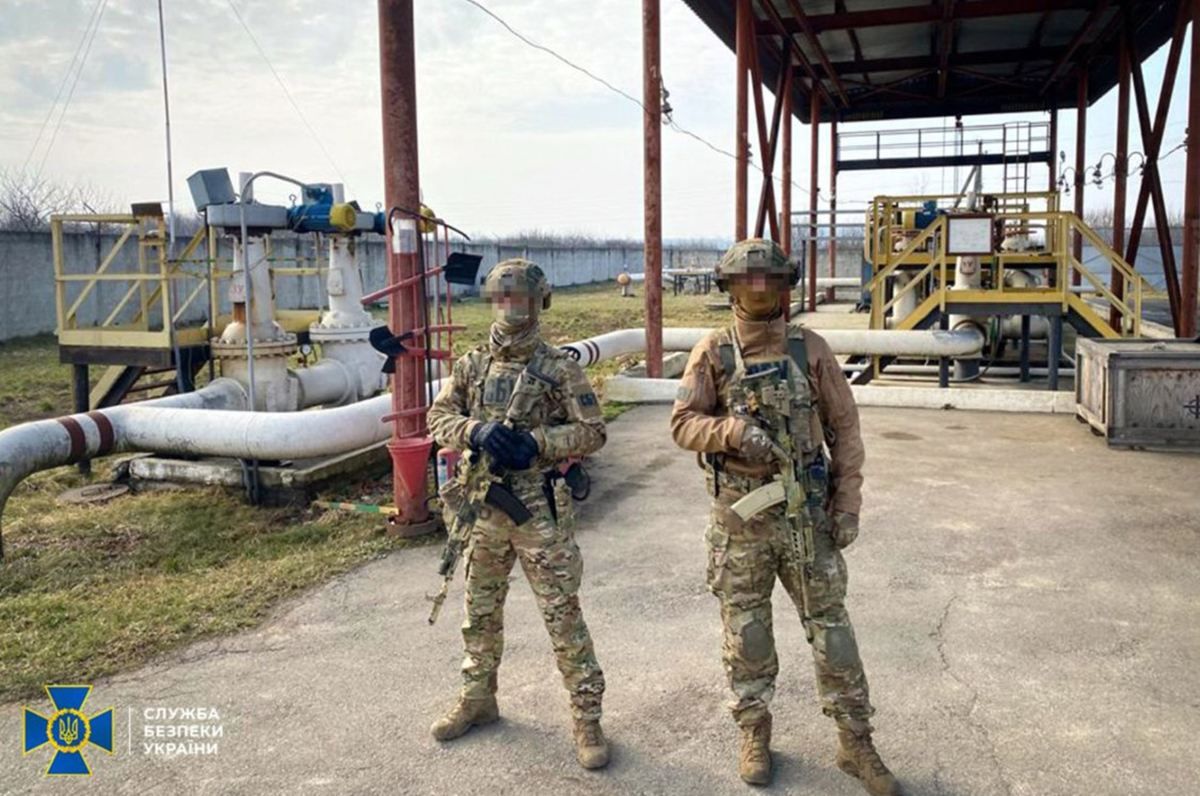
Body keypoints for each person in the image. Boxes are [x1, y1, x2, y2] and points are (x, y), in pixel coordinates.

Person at [669, 239, 901, 794]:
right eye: (748, 282)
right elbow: (682, 423)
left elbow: (845, 431)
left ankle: (856, 742)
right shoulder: (713, 352)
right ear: (729, 288)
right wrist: (730, 431)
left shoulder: (810, 350)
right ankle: (754, 732)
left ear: (784, 287)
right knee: (746, 634)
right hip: (739, 520)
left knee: (833, 633)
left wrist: (846, 506)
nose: (759, 291)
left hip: (806, 517)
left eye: (769, 281)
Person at [426, 258, 609, 770]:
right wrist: (476, 433)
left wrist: (537, 442)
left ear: (538, 302)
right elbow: (438, 417)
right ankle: (478, 697)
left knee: (561, 614)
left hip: (537, 511)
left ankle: (587, 715)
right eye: (503, 299)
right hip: (482, 504)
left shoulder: (560, 368)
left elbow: (593, 432)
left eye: (522, 299)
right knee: (479, 611)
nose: (512, 309)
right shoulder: (471, 365)